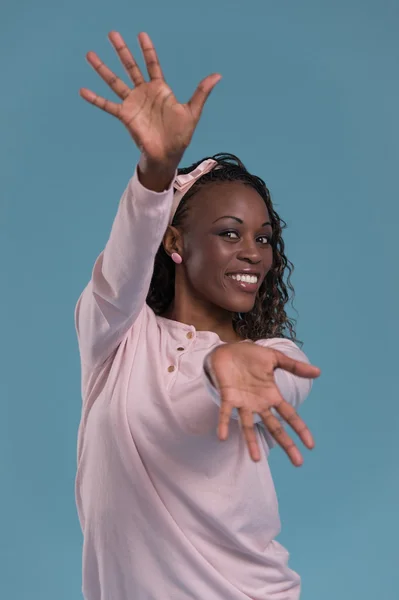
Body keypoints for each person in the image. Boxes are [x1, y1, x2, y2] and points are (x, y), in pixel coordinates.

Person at [75, 30, 321, 600]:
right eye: (230, 233)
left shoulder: (277, 357)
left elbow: (267, 378)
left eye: (264, 238)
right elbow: (123, 264)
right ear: (175, 242)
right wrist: (157, 173)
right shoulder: (117, 338)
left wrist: (226, 364)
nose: (254, 252)